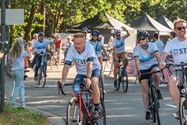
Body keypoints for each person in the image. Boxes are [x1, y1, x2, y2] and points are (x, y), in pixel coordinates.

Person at [59, 33, 102, 119]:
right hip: (81, 72)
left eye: (79, 43)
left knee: (93, 82)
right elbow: (67, 65)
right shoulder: (72, 48)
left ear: (84, 42)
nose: (76, 46)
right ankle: (83, 111)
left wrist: (88, 78)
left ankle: (97, 109)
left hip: (94, 69)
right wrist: (63, 81)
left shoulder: (89, 47)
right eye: (75, 43)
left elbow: (90, 63)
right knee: (75, 92)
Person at [133, 31, 163, 120]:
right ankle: (147, 111)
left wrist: (161, 65)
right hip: (143, 68)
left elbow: (157, 57)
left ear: (147, 39)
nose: (141, 40)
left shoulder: (153, 45)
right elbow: (137, 61)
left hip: (152, 65)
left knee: (157, 72)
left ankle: (157, 89)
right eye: (139, 39)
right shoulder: (136, 49)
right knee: (145, 90)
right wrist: (139, 71)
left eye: (143, 39)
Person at [161, 18, 187, 118]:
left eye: (184, 27)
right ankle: (179, 109)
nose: (182, 30)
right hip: (178, 69)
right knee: (171, 82)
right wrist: (162, 63)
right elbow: (163, 56)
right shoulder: (171, 43)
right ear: (175, 30)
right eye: (179, 28)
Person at [9, 39, 29, 108]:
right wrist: (26, 48)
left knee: (21, 86)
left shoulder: (11, 52)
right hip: (20, 70)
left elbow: (10, 61)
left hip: (13, 70)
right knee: (17, 87)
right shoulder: (22, 52)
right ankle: (13, 103)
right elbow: (28, 55)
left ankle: (23, 103)